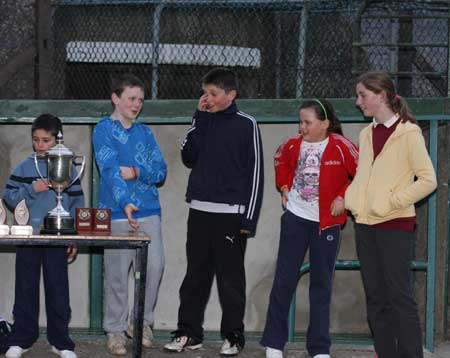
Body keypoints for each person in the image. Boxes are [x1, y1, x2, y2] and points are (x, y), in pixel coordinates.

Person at [163, 68, 264, 356]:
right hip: (199, 211)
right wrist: (199, 118)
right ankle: (188, 333)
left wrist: (249, 218)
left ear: (231, 95)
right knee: (195, 276)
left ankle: (233, 336)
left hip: (231, 215)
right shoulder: (202, 120)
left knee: (230, 279)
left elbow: (255, 173)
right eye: (205, 92)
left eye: (214, 94)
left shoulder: (247, 124)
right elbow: (188, 156)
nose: (208, 98)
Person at [345, 70, 437, 358]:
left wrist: (393, 201)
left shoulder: (409, 133)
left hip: (395, 224)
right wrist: (352, 199)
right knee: (376, 298)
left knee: (399, 298)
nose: (358, 101)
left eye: (363, 95)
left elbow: (428, 180)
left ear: (382, 96)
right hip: (365, 224)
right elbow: (364, 176)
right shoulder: (366, 133)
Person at [260, 99, 358, 358]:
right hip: (295, 218)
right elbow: (280, 161)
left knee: (321, 284)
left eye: (308, 122)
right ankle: (273, 343)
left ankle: (319, 348)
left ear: (325, 123)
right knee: (284, 280)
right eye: (300, 121)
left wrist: (343, 197)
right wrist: (283, 186)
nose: (301, 127)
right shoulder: (292, 145)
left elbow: (363, 174)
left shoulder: (341, 146)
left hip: (326, 224)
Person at [93, 74, 167, 356]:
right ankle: (114, 330)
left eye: (140, 100)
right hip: (116, 212)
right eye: (131, 99)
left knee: (154, 267)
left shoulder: (145, 133)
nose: (137, 105)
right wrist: (124, 200)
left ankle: (141, 323)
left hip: (149, 210)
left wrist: (135, 171)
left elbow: (160, 170)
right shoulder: (103, 130)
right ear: (116, 98)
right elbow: (110, 171)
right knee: (116, 274)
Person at [1, 114, 84, 358]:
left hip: (57, 237)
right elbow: (9, 196)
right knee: (25, 288)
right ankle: (22, 337)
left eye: (46, 140)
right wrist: (30, 189)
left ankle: (61, 341)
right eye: (36, 140)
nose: (40, 145)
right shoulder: (26, 166)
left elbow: (77, 203)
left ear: (58, 138)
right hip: (27, 236)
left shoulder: (67, 165)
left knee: (58, 289)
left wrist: (74, 237)